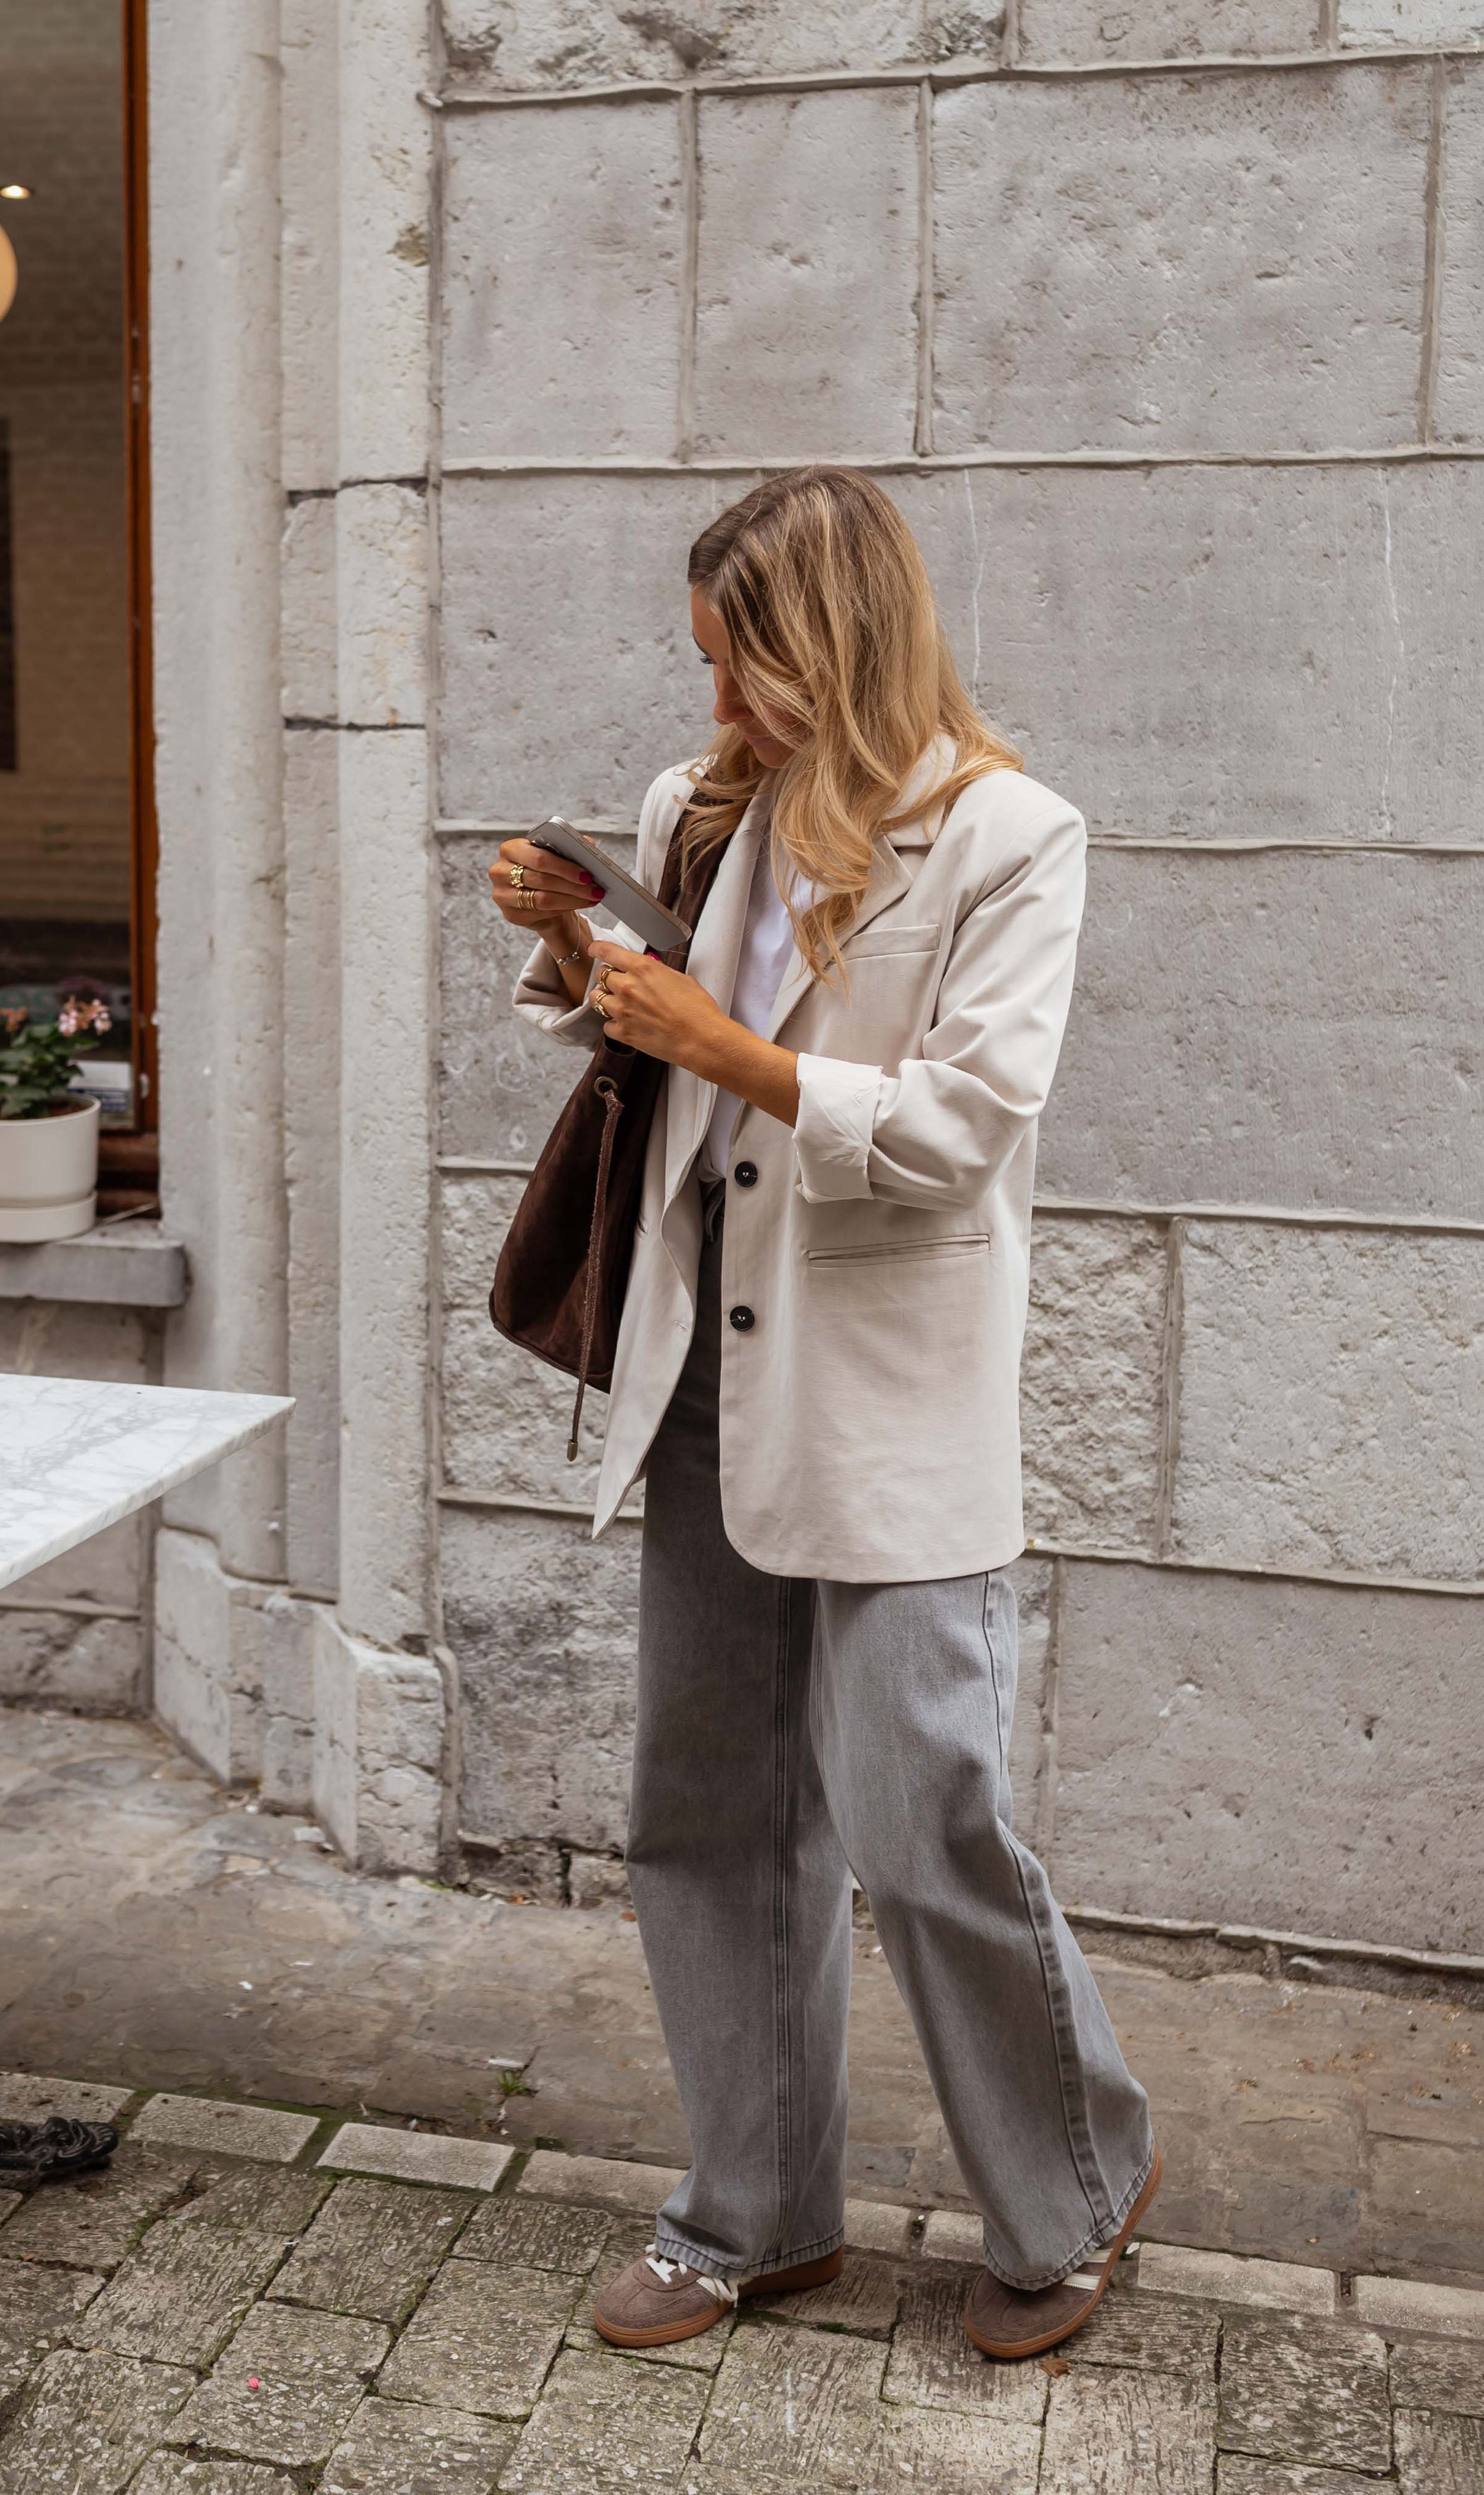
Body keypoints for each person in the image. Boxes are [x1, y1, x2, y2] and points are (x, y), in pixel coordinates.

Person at [492, 466, 1156, 2362]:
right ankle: (754, 2215)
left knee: (919, 1807)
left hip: (884, 1390)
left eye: (744, 671)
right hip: (698, 1361)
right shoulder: (704, 812)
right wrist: (574, 944)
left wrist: (732, 1048)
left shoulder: (1013, 838)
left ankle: (1076, 2190)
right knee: (701, 1814)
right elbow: (651, 1070)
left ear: (835, 647)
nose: (714, 713)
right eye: (703, 668)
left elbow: (958, 1132)